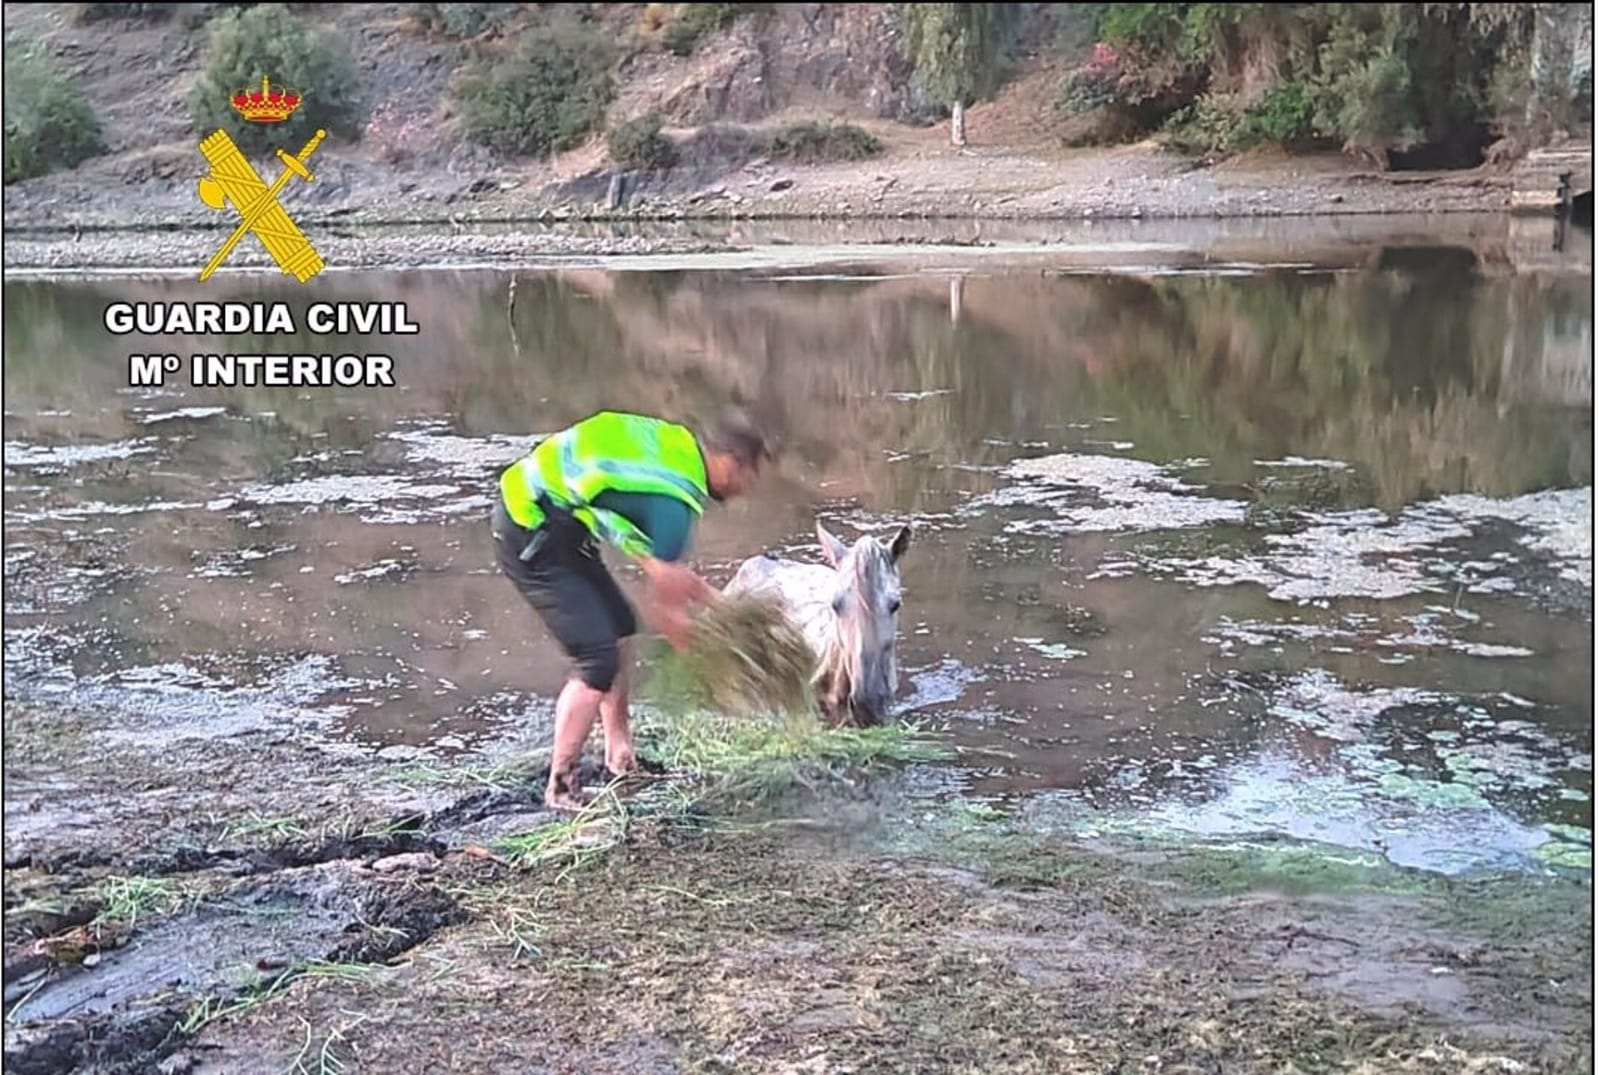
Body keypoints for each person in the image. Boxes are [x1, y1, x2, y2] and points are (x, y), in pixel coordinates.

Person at [490, 409, 771, 810]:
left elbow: (665, 572)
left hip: (562, 521)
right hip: (529, 530)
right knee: (597, 659)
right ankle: (561, 786)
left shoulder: (676, 449)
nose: (745, 490)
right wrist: (722, 668)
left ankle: (619, 757)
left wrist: (727, 611)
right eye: (749, 477)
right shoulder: (675, 502)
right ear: (730, 461)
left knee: (620, 626)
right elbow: (668, 616)